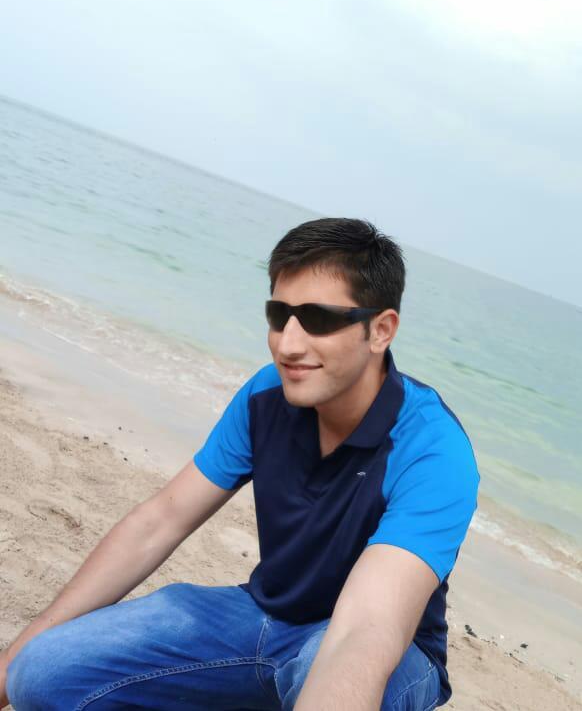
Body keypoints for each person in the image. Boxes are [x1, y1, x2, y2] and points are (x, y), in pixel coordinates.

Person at [1, 217, 479, 710]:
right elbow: (160, 520)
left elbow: (367, 627)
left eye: (318, 319)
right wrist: (9, 664)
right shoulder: (267, 395)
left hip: (386, 650)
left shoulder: (433, 451)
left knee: (330, 668)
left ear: (380, 330)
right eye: (279, 315)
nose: (287, 344)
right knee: (40, 673)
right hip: (263, 616)